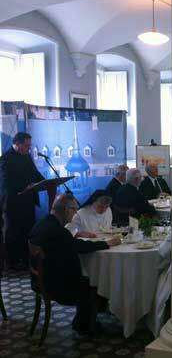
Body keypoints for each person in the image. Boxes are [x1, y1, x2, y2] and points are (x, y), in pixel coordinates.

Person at [29, 194, 121, 334]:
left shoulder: (42, 223)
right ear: (66, 210)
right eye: (74, 210)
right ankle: (85, 326)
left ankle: (83, 320)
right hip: (56, 285)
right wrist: (107, 243)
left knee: (88, 278)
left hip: (39, 280)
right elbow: (79, 247)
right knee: (96, 281)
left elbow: (71, 244)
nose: (75, 213)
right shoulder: (58, 231)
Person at [0, 132, 44, 269]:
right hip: (13, 202)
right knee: (13, 232)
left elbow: (35, 173)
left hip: (28, 201)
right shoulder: (5, 159)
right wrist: (25, 186)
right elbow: (6, 182)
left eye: (30, 145)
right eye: (26, 145)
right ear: (17, 144)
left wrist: (45, 181)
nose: (29, 148)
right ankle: (13, 262)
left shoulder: (26, 157)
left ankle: (26, 260)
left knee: (28, 230)